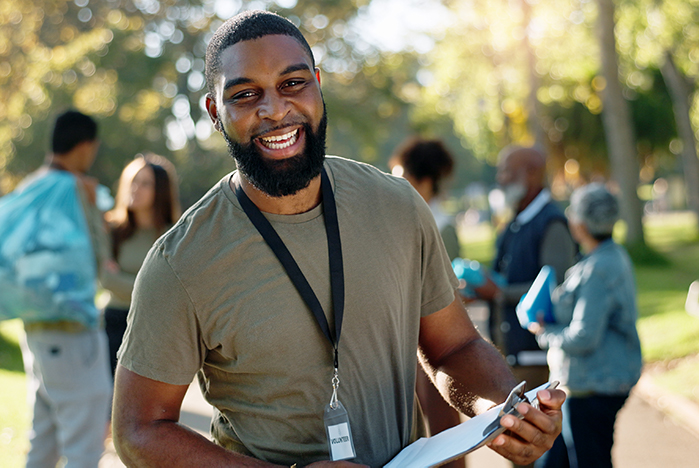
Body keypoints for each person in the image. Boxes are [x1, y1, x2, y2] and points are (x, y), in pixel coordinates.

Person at [112, 11, 565, 467]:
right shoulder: (181, 261)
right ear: (214, 112)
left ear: (318, 84)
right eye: (246, 94)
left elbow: (454, 347)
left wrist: (503, 413)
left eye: (293, 83)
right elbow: (138, 431)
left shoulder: (397, 205)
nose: (274, 109)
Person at [1, 110, 112, 467]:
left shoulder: (32, 186)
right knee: (84, 445)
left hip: (35, 329)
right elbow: (96, 259)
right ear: (85, 146)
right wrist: (94, 207)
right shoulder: (72, 190)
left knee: (44, 441)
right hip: (73, 334)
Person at [528, 183, 643, 468]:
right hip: (591, 383)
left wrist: (544, 333)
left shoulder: (598, 268)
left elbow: (584, 336)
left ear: (579, 223)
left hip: (593, 387)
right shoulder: (611, 256)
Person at [389, 137, 465, 468]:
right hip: (407, 344)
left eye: (402, 177)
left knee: (444, 437)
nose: (393, 184)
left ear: (423, 182)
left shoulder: (440, 225)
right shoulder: (407, 220)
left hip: (432, 343)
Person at [490, 146, 578, 389]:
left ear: (531, 173)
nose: (500, 178)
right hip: (511, 356)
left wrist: (498, 293)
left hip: (536, 358)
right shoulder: (515, 221)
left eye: (506, 171)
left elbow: (555, 287)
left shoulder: (551, 222)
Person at [101, 153, 181, 378]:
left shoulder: (175, 235)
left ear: (161, 191)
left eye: (145, 183)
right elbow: (107, 280)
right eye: (133, 180)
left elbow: (171, 290)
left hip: (154, 327)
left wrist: (124, 281)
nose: (135, 188)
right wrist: (150, 285)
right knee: (109, 405)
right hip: (113, 323)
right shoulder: (112, 229)